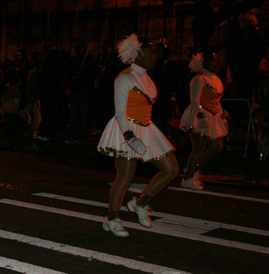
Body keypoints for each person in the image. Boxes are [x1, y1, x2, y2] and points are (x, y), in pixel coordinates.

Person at [97, 34, 179, 237]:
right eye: (151, 52)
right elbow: (119, 111)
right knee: (125, 177)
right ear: (138, 53)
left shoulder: (148, 77)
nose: (155, 56)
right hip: (126, 128)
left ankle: (140, 203)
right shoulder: (125, 77)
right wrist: (129, 137)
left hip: (147, 127)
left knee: (172, 169)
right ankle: (112, 218)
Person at [178, 52, 229, 190]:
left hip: (212, 115)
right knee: (199, 148)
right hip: (198, 114)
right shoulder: (199, 79)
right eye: (213, 61)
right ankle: (187, 178)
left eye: (216, 61)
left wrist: (221, 115)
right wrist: (201, 116)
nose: (216, 63)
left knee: (217, 147)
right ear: (203, 63)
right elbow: (195, 100)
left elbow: (217, 101)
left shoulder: (216, 79)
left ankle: (192, 169)